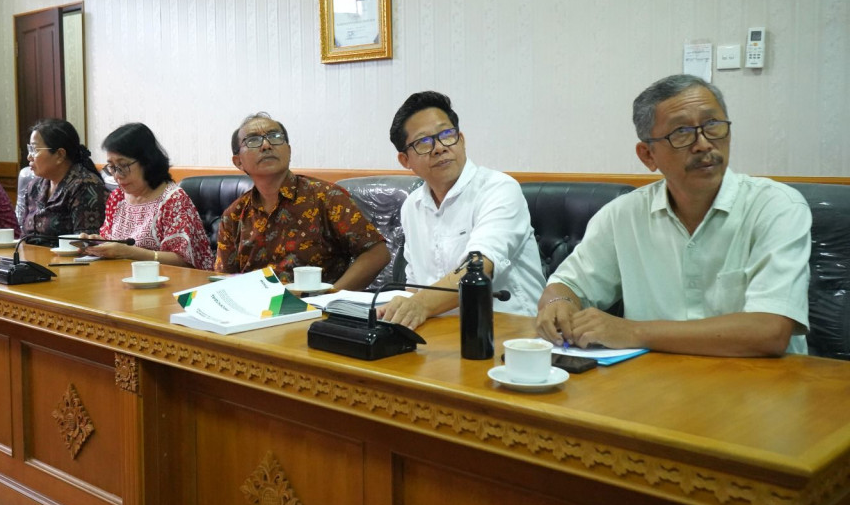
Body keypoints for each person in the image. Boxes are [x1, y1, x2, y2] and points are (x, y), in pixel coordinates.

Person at [535, 74, 811, 357]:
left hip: (759, 379)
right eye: (681, 132)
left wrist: (632, 332)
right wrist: (559, 303)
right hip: (656, 378)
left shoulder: (776, 206)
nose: (703, 144)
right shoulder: (623, 215)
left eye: (713, 125)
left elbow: (770, 331)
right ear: (648, 155)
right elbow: (566, 285)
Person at [377, 91, 546, 330]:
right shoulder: (412, 206)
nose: (439, 148)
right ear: (405, 160)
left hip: (510, 332)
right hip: (440, 333)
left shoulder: (499, 189)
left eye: (446, 135)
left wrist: (419, 305)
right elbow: (415, 287)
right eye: (423, 142)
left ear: (461, 140)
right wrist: (399, 313)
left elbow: (478, 270)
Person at [215, 112, 390, 290]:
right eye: (253, 140)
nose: (266, 145)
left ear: (289, 151)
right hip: (257, 305)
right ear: (238, 162)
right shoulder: (234, 215)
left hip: (316, 304)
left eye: (275, 137)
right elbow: (223, 279)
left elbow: (377, 254)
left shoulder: (327, 197)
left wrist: (332, 296)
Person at [79, 123, 213, 270]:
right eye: (111, 167)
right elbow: (111, 242)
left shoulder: (173, 200)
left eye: (123, 166)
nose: (117, 175)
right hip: (120, 277)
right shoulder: (117, 198)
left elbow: (185, 261)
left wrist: (130, 252)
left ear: (147, 162)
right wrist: (98, 244)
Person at [17, 119, 108, 245]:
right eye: (30, 149)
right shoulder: (34, 186)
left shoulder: (86, 186)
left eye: (35, 150)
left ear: (60, 155)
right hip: (30, 256)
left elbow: (85, 244)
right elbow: (23, 237)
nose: (29, 156)